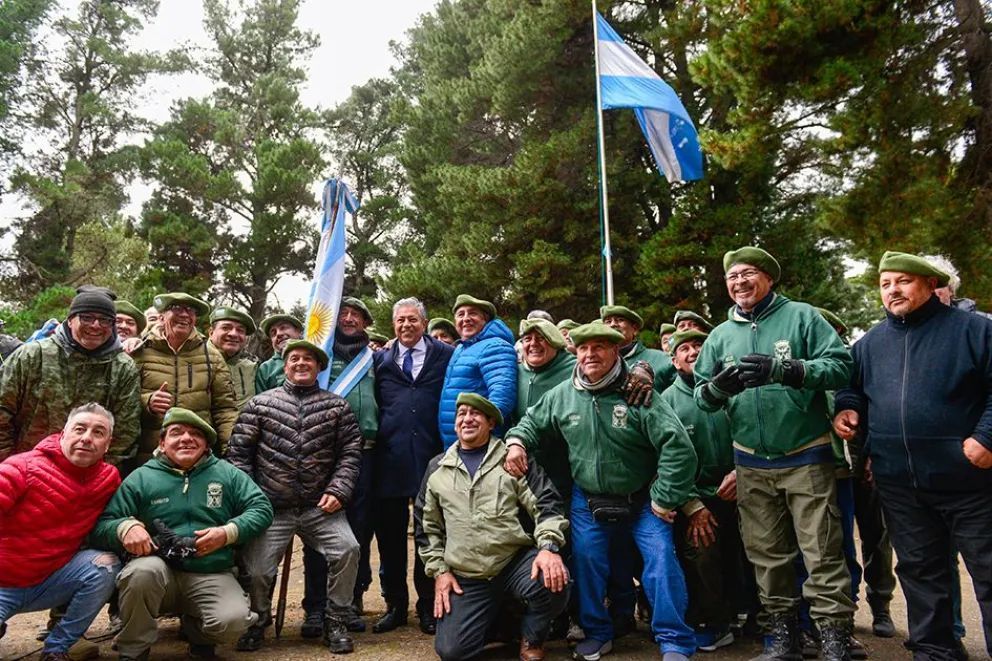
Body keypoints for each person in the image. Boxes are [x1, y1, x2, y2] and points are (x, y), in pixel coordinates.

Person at [692, 246, 855, 661]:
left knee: (821, 551)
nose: (739, 283)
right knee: (766, 554)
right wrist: (716, 390)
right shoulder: (719, 336)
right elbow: (701, 396)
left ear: (768, 277)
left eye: (748, 274)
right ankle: (782, 638)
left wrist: (788, 370)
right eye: (732, 277)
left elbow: (840, 366)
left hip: (805, 453)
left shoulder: (801, 316)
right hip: (750, 460)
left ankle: (833, 637)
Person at [505, 321, 698, 661]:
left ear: (615, 351)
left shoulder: (638, 393)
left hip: (642, 500)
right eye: (583, 348)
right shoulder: (564, 394)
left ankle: (674, 640)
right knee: (587, 563)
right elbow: (532, 422)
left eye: (599, 347)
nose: (590, 354)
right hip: (587, 499)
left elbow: (679, 447)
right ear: (576, 352)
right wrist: (518, 442)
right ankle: (597, 632)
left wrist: (665, 497)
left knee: (660, 562)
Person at [834, 251, 992, 660]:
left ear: (929, 284)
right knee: (922, 574)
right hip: (901, 485)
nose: (893, 290)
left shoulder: (975, 331)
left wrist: (987, 438)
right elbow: (852, 389)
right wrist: (848, 409)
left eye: (903, 281)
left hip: (971, 483)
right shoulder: (869, 343)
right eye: (885, 284)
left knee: (989, 574)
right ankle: (936, 653)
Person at [92, 408, 273, 660]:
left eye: (195, 434)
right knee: (141, 573)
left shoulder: (226, 473)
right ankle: (133, 649)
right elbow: (103, 524)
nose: (186, 438)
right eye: (177, 433)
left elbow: (262, 508)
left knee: (233, 621)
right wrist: (125, 528)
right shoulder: (141, 478)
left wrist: (227, 532)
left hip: (210, 570)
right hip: (158, 570)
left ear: (206, 444)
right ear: (162, 443)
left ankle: (199, 636)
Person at [228, 340, 363, 654]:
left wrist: (338, 489)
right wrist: (253, 498)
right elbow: (238, 455)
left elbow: (351, 453)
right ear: (285, 365)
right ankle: (258, 620)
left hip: (320, 506)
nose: (301, 363)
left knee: (348, 549)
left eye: (309, 359)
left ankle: (336, 621)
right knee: (259, 569)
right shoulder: (259, 404)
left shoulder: (337, 406)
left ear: (319, 367)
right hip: (271, 508)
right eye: (294, 359)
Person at [416, 393, 570, 661]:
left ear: (491, 423)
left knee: (553, 581)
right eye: (461, 414)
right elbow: (426, 528)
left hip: (514, 562)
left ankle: (532, 636)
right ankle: (500, 626)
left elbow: (547, 504)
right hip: (467, 574)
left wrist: (548, 547)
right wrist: (440, 571)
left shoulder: (512, 460)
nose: (467, 419)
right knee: (452, 652)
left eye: (475, 414)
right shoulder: (437, 469)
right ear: (454, 425)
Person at [0, 403, 122, 661]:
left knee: (105, 565)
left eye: (98, 432)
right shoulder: (21, 467)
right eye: (80, 429)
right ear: (63, 433)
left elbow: (114, 519)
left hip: (49, 581)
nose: (87, 438)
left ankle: (58, 647)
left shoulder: (108, 478)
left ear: (108, 444)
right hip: (3, 582)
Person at [371, 298, 454, 635]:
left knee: (428, 534)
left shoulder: (445, 356)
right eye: (400, 320)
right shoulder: (380, 361)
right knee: (390, 539)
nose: (406, 325)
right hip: (389, 459)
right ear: (394, 325)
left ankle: (427, 606)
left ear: (425, 322)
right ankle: (395, 605)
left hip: (431, 458)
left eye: (412, 320)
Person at [660, 329, 739, 653]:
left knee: (758, 551)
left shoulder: (735, 389)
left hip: (746, 486)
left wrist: (742, 474)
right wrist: (692, 502)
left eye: (699, 347)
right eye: (685, 348)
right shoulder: (666, 401)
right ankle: (713, 621)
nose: (693, 352)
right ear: (675, 361)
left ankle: (761, 618)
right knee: (702, 549)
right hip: (695, 498)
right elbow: (664, 459)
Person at [304, 296, 379, 633]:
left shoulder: (376, 359)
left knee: (358, 531)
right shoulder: (322, 358)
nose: (349, 318)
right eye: (344, 313)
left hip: (365, 453)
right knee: (319, 528)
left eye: (356, 314)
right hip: (323, 454)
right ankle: (315, 606)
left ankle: (349, 602)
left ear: (365, 323)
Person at [0, 286, 140, 464]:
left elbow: (125, 433)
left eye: (104, 320)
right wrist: (9, 465)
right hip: (25, 471)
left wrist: (102, 476)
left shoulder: (123, 368)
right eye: (87, 317)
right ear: (70, 320)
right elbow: (3, 409)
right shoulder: (33, 355)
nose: (96, 325)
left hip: (87, 477)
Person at [131, 292, 238, 461]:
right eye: (176, 308)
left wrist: (231, 452)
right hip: (149, 456)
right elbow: (122, 403)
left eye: (191, 310)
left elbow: (224, 409)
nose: (184, 314)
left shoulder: (212, 356)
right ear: (162, 316)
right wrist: (147, 402)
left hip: (197, 455)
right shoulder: (139, 352)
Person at [438, 294, 518, 450]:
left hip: (479, 443)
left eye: (473, 313)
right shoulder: (461, 348)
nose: (466, 318)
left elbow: (502, 395)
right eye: (461, 314)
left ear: (485, 319)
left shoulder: (495, 346)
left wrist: (479, 433)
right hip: (460, 442)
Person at [601, 304, 677, 391]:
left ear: (635, 329)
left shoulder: (662, 360)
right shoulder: (594, 363)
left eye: (620, 320)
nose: (613, 324)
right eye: (608, 321)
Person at [207, 307, 257, 410]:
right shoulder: (192, 362)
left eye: (240, 330)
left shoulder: (252, 369)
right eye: (226, 328)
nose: (233, 334)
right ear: (211, 333)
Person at [254, 314, 303, 393]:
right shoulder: (266, 368)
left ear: (298, 331)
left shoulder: (315, 358)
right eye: (273, 333)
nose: (278, 334)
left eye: (283, 328)